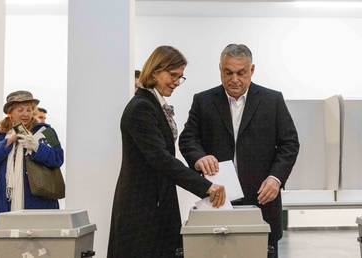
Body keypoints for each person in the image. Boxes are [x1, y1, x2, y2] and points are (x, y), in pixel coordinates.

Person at [179, 44, 300, 258]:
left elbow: (289, 144)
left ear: (252, 70)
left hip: (262, 200)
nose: (234, 79)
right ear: (220, 69)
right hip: (217, 201)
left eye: (241, 72)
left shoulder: (273, 100)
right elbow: (188, 138)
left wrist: (275, 178)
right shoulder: (203, 101)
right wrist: (199, 157)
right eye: (228, 72)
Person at [107, 46, 226, 258]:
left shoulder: (153, 104)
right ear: (155, 71)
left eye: (180, 77)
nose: (177, 82)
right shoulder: (141, 108)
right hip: (142, 207)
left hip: (155, 202)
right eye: (172, 75)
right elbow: (160, 158)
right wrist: (206, 186)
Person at [0, 90, 63, 229]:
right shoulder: (1, 134)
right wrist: (8, 142)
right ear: (10, 112)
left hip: (38, 201)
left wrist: (37, 147)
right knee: (7, 244)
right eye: (20, 110)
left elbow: (58, 158)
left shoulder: (45, 131)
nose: (26, 113)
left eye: (29, 109)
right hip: (6, 201)